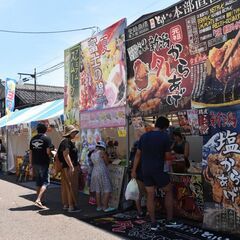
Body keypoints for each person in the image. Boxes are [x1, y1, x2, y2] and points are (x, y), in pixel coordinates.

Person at [131, 116, 180, 230]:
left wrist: (134, 170)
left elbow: (138, 155)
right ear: (164, 127)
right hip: (158, 169)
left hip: (145, 170)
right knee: (168, 191)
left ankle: (153, 223)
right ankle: (169, 220)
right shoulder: (164, 137)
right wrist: (171, 163)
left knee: (150, 195)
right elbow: (167, 157)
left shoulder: (144, 136)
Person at [57, 125, 81, 212]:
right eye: (74, 132)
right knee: (72, 186)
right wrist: (71, 166)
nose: (75, 134)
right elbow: (66, 154)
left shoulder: (65, 141)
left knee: (66, 187)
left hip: (65, 168)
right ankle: (71, 206)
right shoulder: (66, 142)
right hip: (68, 168)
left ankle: (67, 205)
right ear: (70, 133)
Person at [29, 123, 52, 209]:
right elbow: (48, 152)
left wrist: (31, 164)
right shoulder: (46, 138)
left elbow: (30, 152)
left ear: (37, 130)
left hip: (35, 162)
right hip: (43, 162)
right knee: (46, 182)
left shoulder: (32, 139)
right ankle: (38, 200)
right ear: (45, 130)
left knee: (38, 182)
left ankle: (41, 200)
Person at [90, 140, 115, 212]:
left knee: (98, 190)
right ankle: (105, 207)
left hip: (95, 171)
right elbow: (107, 162)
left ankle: (99, 206)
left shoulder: (93, 153)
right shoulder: (102, 152)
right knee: (107, 188)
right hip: (102, 171)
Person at [129, 140, 146, 218]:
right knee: (147, 194)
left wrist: (133, 171)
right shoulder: (141, 154)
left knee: (139, 194)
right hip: (143, 173)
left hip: (137, 173)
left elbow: (131, 162)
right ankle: (147, 212)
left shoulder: (133, 153)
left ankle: (140, 212)